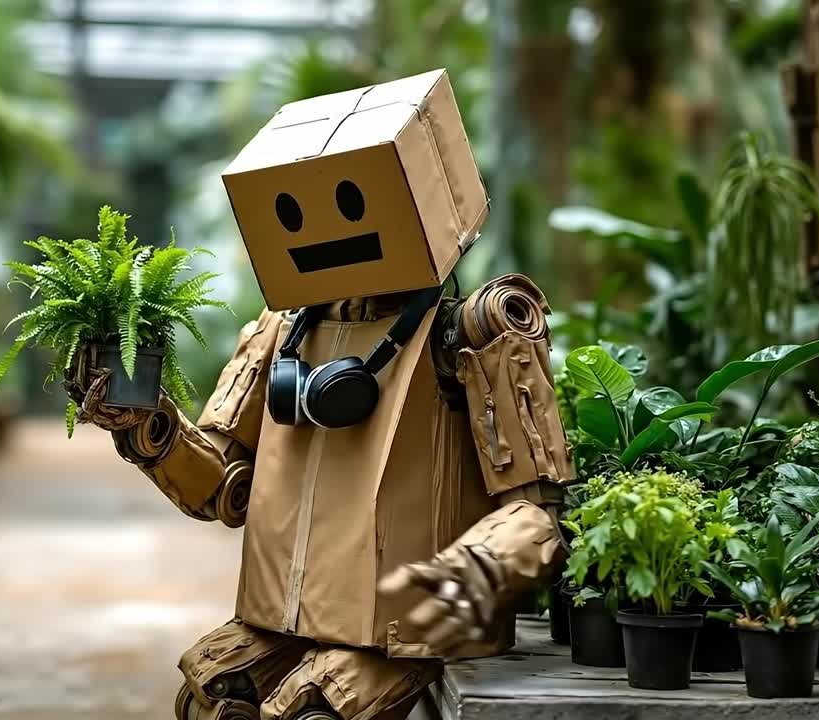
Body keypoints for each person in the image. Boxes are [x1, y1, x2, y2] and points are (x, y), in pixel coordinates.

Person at [68, 69, 573, 720]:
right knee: (207, 696)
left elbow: (535, 511)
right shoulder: (280, 335)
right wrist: (147, 427)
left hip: (395, 627)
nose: (316, 228)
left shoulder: (473, 331)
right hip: (282, 616)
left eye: (353, 201)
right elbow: (224, 485)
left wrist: (454, 586)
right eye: (290, 211)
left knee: (314, 711)